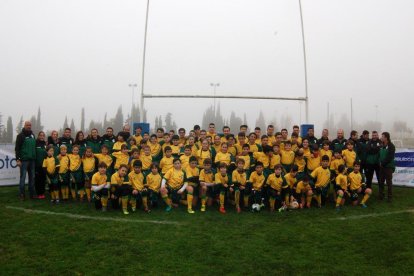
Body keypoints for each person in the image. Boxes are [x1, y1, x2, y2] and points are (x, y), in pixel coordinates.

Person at [15, 121, 36, 200]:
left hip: (32, 160)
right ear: (24, 126)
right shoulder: (20, 136)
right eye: (27, 125)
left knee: (32, 178)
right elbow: (17, 149)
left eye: (30, 125)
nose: (29, 126)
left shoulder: (33, 135)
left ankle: (32, 194)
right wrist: (18, 159)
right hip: (24, 161)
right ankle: (22, 194)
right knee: (23, 178)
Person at [379, 132, 395, 202]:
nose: (381, 138)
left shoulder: (391, 146)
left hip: (388, 167)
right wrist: (379, 162)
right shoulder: (381, 145)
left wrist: (382, 163)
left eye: (382, 136)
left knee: (389, 183)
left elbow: (390, 157)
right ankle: (381, 195)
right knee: (381, 182)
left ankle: (389, 197)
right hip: (382, 167)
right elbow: (379, 155)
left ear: (386, 138)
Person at [34, 131, 47, 199]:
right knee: (38, 179)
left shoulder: (45, 144)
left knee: (43, 179)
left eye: (43, 135)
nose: (42, 137)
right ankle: (38, 193)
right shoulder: (35, 143)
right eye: (40, 135)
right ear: (38, 136)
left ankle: (42, 193)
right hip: (37, 165)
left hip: (44, 165)